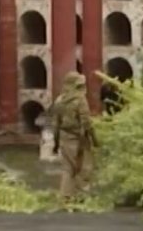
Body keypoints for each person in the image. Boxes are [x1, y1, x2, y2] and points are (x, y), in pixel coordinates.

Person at [51, 71, 99, 200]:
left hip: (64, 137)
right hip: (79, 138)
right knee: (84, 168)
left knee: (68, 169)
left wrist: (55, 144)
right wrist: (95, 140)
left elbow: (55, 124)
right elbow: (87, 122)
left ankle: (65, 196)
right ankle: (82, 196)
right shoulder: (80, 100)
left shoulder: (59, 100)